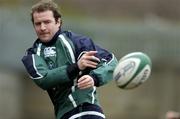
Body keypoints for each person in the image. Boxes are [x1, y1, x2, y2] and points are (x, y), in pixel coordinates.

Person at [21, 0, 118, 119]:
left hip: (90, 111)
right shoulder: (32, 55)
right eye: (38, 23)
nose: (42, 27)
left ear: (58, 22)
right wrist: (76, 67)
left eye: (47, 22)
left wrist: (94, 78)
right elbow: (43, 79)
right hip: (66, 114)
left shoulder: (79, 43)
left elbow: (111, 61)